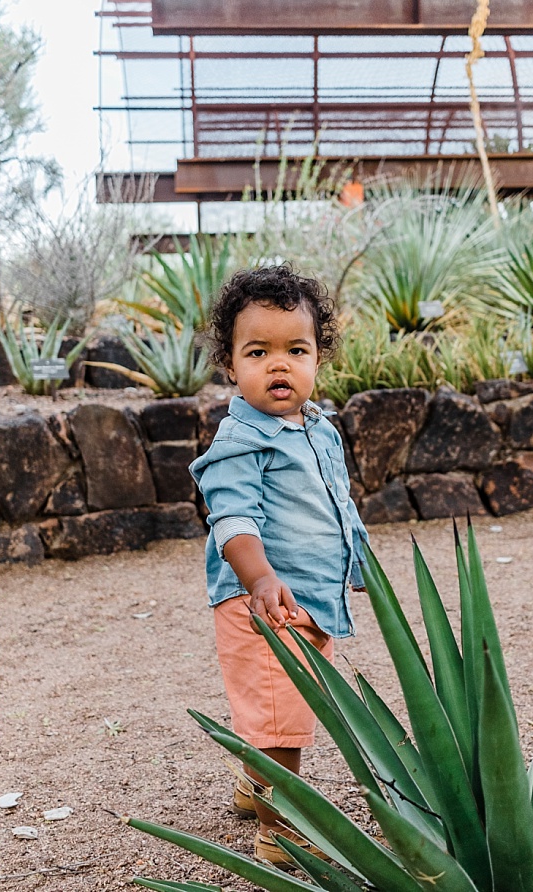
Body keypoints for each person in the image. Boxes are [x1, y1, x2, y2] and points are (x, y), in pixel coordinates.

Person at [191, 266, 369, 867]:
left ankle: (253, 785)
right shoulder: (240, 442)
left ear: (319, 357)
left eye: (296, 350)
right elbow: (233, 523)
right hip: (261, 605)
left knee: (281, 708)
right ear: (230, 364)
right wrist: (260, 578)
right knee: (280, 721)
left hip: (311, 599)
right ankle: (279, 830)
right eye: (258, 351)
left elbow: (338, 506)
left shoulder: (319, 430)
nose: (279, 365)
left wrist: (357, 563)